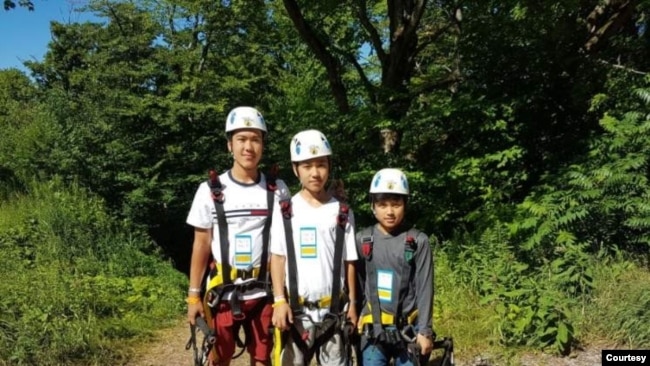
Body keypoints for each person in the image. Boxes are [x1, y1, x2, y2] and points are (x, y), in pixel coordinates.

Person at [186, 106, 291, 366]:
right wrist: (193, 296)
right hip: (223, 293)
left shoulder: (278, 190)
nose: (248, 147)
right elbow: (201, 244)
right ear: (229, 145)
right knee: (218, 358)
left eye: (255, 139)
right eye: (241, 139)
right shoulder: (210, 191)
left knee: (263, 359)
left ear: (263, 145)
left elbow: (288, 245)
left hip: (264, 292)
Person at [269, 129, 358, 366]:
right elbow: (277, 258)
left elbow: (349, 261)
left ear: (329, 166)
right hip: (297, 313)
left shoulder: (342, 211)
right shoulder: (286, 210)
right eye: (307, 166)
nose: (315, 173)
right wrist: (279, 300)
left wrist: (353, 304)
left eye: (321, 165)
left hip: (333, 311)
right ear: (296, 169)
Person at [355, 168, 435, 366]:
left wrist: (425, 331)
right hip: (373, 331)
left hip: (409, 331)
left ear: (405, 205)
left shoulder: (418, 241)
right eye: (382, 204)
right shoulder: (363, 240)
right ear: (373, 205)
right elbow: (356, 285)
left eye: (396, 204)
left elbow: (425, 289)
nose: (389, 211)